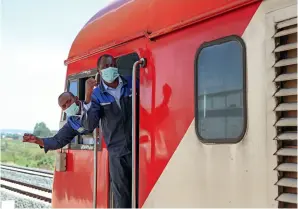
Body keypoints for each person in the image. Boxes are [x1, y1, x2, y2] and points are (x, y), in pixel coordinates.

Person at [82, 54, 135, 208]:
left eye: (111, 65)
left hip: (137, 148)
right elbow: (89, 125)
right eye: (105, 66)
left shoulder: (131, 83)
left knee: (142, 190)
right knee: (122, 197)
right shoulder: (97, 94)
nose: (109, 68)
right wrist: (87, 96)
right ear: (99, 71)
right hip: (116, 153)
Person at [23, 91, 97, 153]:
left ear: (76, 99)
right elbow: (57, 141)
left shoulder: (94, 105)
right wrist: (37, 140)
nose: (67, 106)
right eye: (64, 106)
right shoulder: (72, 123)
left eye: (69, 101)